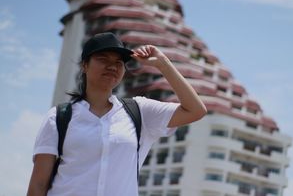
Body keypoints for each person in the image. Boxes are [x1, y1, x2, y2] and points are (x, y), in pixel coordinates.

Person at [27, 32, 207, 196]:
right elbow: (38, 185)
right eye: (103, 59)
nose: (112, 66)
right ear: (84, 65)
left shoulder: (140, 111)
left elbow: (196, 110)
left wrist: (163, 64)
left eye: (118, 62)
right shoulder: (59, 117)